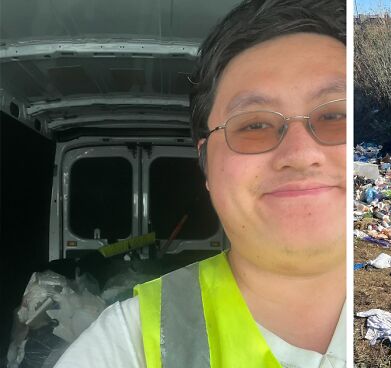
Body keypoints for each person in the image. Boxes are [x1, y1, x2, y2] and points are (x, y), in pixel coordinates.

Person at [54, 0, 346, 367]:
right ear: (206, 162)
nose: (301, 153)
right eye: (253, 125)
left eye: (336, 115)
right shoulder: (127, 345)